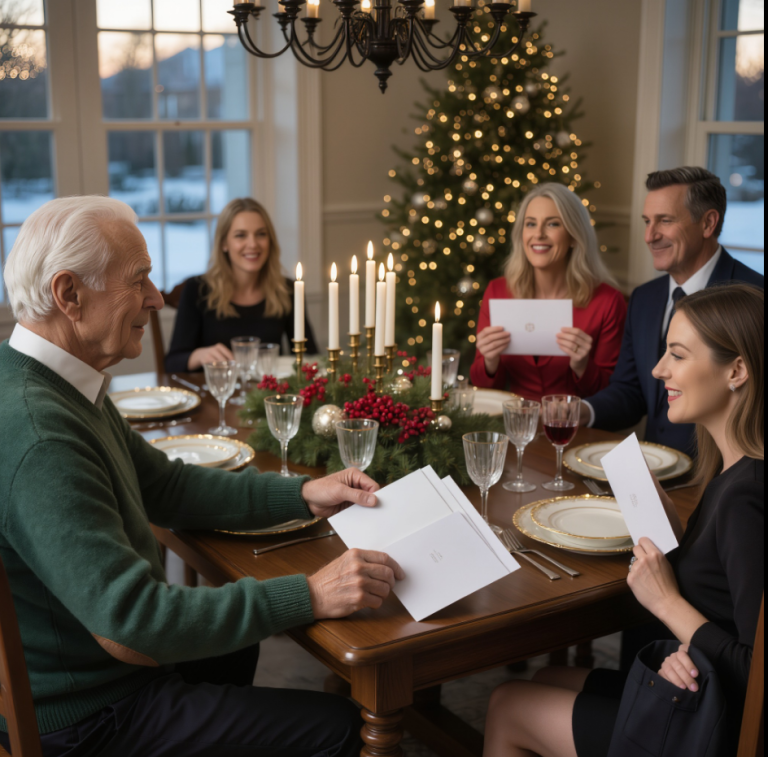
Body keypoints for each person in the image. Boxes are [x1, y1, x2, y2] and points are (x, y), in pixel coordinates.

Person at [0, 197, 404, 757]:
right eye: (138, 279)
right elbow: (133, 621)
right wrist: (310, 593)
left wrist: (305, 494)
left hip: (93, 670)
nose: (157, 298)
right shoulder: (41, 431)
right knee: (340, 726)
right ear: (69, 294)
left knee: (235, 650)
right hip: (88, 717)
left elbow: (168, 487)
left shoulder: (57, 382)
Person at [483, 283, 764, 757]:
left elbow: (756, 672)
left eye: (677, 355)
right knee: (549, 675)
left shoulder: (746, 498)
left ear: (737, 370)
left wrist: (668, 604)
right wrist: (675, 536)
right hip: (699, 686)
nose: (658, 371)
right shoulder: (731, 472)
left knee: (507, 703)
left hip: (719, 725)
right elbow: (724, 597)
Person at [582, 167, 764, 455]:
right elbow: (631, 393)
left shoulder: (755, 298)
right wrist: (581, 411)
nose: (649, 236)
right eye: (646, 221)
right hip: (656, 477)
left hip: (726, 486)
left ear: (708, 223)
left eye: (664, 220)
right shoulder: (644, 299)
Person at [469, 183, 627, 401]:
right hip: (516, 426)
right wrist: (489, 362)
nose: (539, 234)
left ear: (574, 236)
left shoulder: (607, 301)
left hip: (577, 429)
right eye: (531, 224)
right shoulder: (498, 291)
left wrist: (582, 366)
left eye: (552, 224)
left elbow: (612, 395)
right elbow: (483, 388)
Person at [165, 197, 318, 372]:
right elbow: (172, 363)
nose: (253, 244)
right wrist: (200, 355)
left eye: (261, 234)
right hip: (214, 395)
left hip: (267, 394)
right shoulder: (197, 289)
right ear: (224, 243)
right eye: (240, 235)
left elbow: (310, 357)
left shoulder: (288, 290)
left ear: (270, 241)